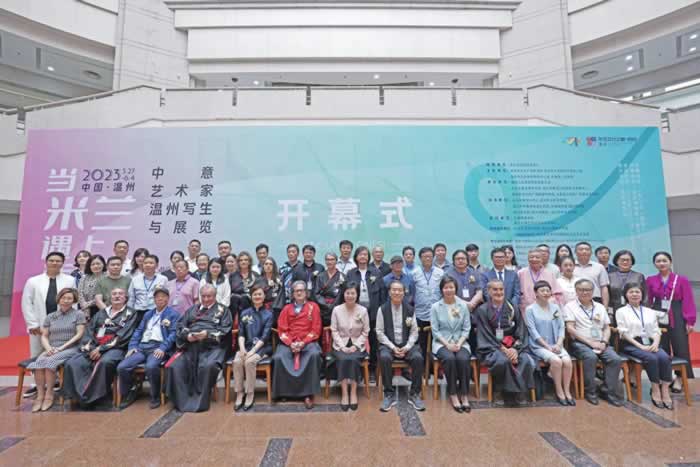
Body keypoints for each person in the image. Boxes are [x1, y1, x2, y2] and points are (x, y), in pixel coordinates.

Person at [63, 288, 139, 407]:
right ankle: (78, 395)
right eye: (114, 294)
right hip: (94, 346)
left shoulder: (131, 313)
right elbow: (90, 331)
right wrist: (91, 348)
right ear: (110, 297)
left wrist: (101, 349)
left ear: (125, 298)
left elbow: (124, 335)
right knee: (72, 363)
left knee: (105, 362)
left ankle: (95, 397)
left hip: (116, 348)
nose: (117, 296)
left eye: (120, 294)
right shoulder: (101, 313)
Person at [166, 284, 232, 412]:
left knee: (207, 366)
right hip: (190, 346)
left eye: (209, 296)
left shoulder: (223, 311)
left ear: (215, 296)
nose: (206, 299)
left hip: (212, 347)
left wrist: (207, 335)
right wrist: (187, 336)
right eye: (203, 296)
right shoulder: (192, 309)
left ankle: (200, 401)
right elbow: (180, 326)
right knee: (175, 366)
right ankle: (181, 401)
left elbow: (225, 331)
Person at [117, 286, 180, 409]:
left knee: (151, 366)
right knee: (122, 367)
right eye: (157, 297)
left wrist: (163, 348)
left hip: (157, 347)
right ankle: (130, 392)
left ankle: (155, 395)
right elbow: (138, 331)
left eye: (163, 296)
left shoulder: (173, 314)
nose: (160, 299)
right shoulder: (148, 314)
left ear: (168, 299)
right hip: (142, 347)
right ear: (154, 299)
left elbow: (173, 334)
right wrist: (132, 346)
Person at [476, 280, 535, 407]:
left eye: (501, 289)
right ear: (489, 292)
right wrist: (503, 349)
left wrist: (515, 349)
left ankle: (519, 392)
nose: (499, 292)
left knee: (525, 359)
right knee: (502, 361)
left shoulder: (512, 307)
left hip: (513, 345)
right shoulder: (482, 310)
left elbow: (521, 330)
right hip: (492, 347)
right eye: (495, 289)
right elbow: (485, 334)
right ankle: (499, 391)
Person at [564, 278, 623, 406]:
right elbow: (570, 329)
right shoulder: (570, 306)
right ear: (576, 291)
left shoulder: (600, 307)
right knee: (590, 357)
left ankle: (607, 391)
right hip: (580, 343)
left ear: (593, 291)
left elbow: (606, 327)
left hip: (600, 342)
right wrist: (590, 343)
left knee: (615, 359)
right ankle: (590, 391)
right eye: (581, 290)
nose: (585, 292)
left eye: (588, 290)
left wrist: (604, 342)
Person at [27, 288, 86, 412]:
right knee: (38, 364)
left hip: (71, 348)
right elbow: (44, 336)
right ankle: (40, 395)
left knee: (50, 363)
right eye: (64, 298)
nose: (66, 300)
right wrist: (48, 348)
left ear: (74, 300)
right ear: (59, 299)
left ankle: (49, 395)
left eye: (69, 298)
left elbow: (79, 334)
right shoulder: (51, 316)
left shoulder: (79, 314)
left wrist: (61, 348)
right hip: (52, 348)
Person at [616, 283, 673, 410]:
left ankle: (665, 390)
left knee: (664, 357)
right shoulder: (621, 311)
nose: (634, 294)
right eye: (631, 292)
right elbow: (623, 333)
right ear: (626, 295)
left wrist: (655, 343)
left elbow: (656, 330)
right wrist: (640, 346)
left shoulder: (649, 311)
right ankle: (655, 389)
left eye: (637, 292)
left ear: (642, 295)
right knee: (651, 358)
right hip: (631, 344)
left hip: (650, 343)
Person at [646, 251, 696, 391]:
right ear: (654, 264)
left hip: (677, 312)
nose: (661, 263)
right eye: (658, 261)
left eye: (664, 260)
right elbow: (648, 299)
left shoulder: (681, 280)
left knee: (681, 347)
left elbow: (688, 300)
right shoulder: (650, 280)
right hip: (658, 313)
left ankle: (680, 378)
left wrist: (690, 321)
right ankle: (665, 378)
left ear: (670, 262)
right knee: (661, 347)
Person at [21, 251, 76, 373]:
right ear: (46, 262)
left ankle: (55, 379)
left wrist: (72, 322)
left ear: (62, 263)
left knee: (57, 352)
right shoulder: (33, 281)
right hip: (38, 324)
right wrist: (32, 324)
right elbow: (26, 303)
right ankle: (36, 379)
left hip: (62, 324)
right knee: (37, 352)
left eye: (58, 261)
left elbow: (74, 302)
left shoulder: (70, 280)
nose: (54, 263)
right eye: (51, 260)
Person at [272, 281, 323, 409]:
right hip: (289, 342)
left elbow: (316, 329)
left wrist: (303, 343)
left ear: (306, 293)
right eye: (296, 291)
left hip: (308, 342)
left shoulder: (313, 307)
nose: (299, 293)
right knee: (278, 357)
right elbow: (282, 330)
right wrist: (291, 343)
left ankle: (308, 394)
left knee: (314, 355)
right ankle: (284, 392)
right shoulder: (286, 309)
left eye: (301, 290)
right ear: (293, 294)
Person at [377, 281, 424, 412]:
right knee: (385, 357)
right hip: (389, 345)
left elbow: (414, 332)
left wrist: (407, 347)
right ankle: (389, 393)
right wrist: (393, 347)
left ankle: (414, 393)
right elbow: (379, 332)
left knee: (418, 358)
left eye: (399, 290)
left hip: (406, 345)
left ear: (404, 293)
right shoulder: (382, 309)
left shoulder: (410, 309)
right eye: (394, 290)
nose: (397, 292)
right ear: (389, 292)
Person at [525, 281, 574, 405]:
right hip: (539, 346)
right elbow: (532, 331)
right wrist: (547, 346)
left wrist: (559, 343)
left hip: (556, 344)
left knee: (567, 361)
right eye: (542, 291)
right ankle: (559, 391)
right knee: (557, 361)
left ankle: (567, 391)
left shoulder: (555, 308)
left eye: (548, 290)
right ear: (536, 293)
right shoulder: (530, 309)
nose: (546, 293)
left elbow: (561, 327)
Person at [430, 276, 472, 413]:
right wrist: (447, 344)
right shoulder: (436, 307)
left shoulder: (463, 305)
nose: (449, 290)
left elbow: (466, 328)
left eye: (451, 287)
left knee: (463, 358)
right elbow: (435, 330)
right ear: (442, 289)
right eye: (446, 287)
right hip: (442, 343)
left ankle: (464, 394)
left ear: (456, 289)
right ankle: (453, 394)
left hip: (461, 342)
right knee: (449, 358)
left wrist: (459, 343)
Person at [330, 282, 370, 411]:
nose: (350, 296)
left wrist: (356, 346)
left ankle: (353, 392)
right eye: (348, 293)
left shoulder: (363, 311)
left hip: (358, 344)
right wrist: (342, 346)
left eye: (353, 293)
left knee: (353, 359)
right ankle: (344, 393)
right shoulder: (337, 310)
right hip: (340, 344)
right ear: (344, 294)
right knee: (343, 358)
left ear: (357, 294)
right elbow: (334, 330)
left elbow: (366, 331)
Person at [233, 285, 273, 411]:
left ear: (264, 297)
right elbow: (241, 334)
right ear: (251, 296)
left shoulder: (269, 314)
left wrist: (252, 351)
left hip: (262, 347)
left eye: (260, 294)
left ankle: (250, 393)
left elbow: (265, 337)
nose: (257, 296)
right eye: (255, 294)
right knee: (237, 361)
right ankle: (239, 393)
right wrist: (242, 349)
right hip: (246, 346)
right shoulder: (245, 313)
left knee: (249, 362)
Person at [346, 246, 383, 373]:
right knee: (356, 339)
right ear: (356, 257)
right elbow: (347, 293)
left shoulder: (376, 273)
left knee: (373, 341)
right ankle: (358, 369)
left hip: (373, 312)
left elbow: (382, 293)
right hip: (355, 313)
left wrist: (380, 311)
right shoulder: (351, 273)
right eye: (360, 254)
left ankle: (372, 369)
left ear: (368, 257)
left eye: (365, 255)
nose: (363, 257)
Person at [411, 247, 444, 360]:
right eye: (425, 256)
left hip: (437, 312)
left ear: (433, 257)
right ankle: (423, 365)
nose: (428, 259)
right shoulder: (414, 273)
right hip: (420, 313)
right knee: (422, 342)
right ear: (420, 258)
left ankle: (434, 366)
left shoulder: (440, 273)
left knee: (437, 341)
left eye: (430, 256)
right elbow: (412, 293)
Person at [517, 249, 563, 315]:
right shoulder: (521, 273)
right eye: (531, 257)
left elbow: (558, 293)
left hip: (547, 309)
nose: (534, 259)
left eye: (537, 257)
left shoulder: (549, 274)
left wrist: (550, 301)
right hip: (526, 310)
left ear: (542, 259)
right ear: (528, 259)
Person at [127, 254, 168, 324]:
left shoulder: (163, 279)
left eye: (151, 263)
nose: (148, 265)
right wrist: (129, 313)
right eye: (145, 263)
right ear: (143, 265)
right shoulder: (135, 279)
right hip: (138, 312)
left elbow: (166, 297)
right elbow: (131, 298)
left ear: (157, 265)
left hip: (156, 312)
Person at [608, 250, 645, 318]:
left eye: (628, 260)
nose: (625, 262)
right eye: (622, 260)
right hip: (615, 309)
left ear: (632, 262)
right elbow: (607, 296)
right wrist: (609, 312)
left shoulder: (639, 276)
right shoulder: (609, 276)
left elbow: (645, 296)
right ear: (617, 261)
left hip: (635, 309)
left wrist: (644, 311)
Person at [312, 252, 345, 326]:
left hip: (337, 308)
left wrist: (334, 305)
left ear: (336, 261)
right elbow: (316, 294)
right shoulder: (320, 276)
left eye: (332, 259)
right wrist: (326, 304)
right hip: (323, 309)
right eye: (327, 260)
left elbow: (342, 293)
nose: (329, 262)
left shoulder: (342, 276)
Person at [574, 242, 610, 309]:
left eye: (587, 249)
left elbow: (604, 288)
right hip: (574, 301)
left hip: (595, 300)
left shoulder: (599, 267)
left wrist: (605, 307)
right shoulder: (570, 266)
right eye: (581, 249)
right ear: (575, 252)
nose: (584, 251)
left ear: (591, 252)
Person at [229, 251, 259, 320]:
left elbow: (258, 291)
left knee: (244, 298)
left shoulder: (255, 275)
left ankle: (245, 322)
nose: (243, 262)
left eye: (246, 260)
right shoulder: (233, 275)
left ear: (249, 262)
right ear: (238, 262)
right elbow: (229, 291)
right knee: (235, 297)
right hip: (234, 302)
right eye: (241, 260)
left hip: (250, 302)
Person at [78, 254, 106, 319]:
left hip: (103, 308)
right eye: (93, 264)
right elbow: (80, 293)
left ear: (103, 264)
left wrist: (88, 304)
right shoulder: (84, 277)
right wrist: (84, 306)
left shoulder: (108, 277)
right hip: (85, 310)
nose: (95, 266)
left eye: (98, 264)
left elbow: (106, 295)